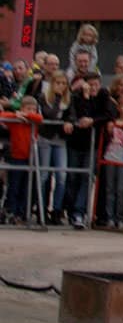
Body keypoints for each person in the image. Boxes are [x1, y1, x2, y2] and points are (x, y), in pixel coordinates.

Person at [65, 72, 113, 229]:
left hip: (92, 145)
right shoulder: (77, 95)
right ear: (84, 84)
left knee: (87, 178)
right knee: (72, 177)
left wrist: (93, 121)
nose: (94, 88)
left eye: (96, 85)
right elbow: (75, 114)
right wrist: (86, 97)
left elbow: (108, 114)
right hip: (75, 142)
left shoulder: (103, 94)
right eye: (90, 85)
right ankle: (71, 211)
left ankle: (79, 212)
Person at [37, 69, 72, 225]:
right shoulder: (44, 97)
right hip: (46, 139)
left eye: (64, 84)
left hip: (60, 141)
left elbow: (72, 114)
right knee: (44, 176)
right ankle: (41, 209)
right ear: (53, 84)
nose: (61, 86)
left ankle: (57, 211)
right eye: (58, 83)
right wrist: (57, 98)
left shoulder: (69, 99)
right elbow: (50, 114)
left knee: (62, 176)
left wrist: (70, 121)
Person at [0, 96, 43, 224]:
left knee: (26, 187)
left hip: (30, 158)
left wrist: (28, 115)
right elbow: (2, 115)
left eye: (33, 109)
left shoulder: (33, 120)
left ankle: (21, 212)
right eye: (27, 109)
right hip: (16, 157)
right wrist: (16, 116)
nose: (30, 111)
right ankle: (11, 211)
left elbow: (40, 118)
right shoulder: (15, 121)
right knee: (14, 186)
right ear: (21, 108)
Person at [103, 94, 123, 229]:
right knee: (110, 188)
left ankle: (121, 217)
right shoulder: (113, 122)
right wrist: (109, 129)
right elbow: (105, 137)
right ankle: (110, 217)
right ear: (118, 108)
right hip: (110, 157)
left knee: (121, 189)